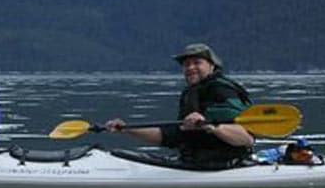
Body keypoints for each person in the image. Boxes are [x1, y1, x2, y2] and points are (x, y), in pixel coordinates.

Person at [104, 43, 254, 168]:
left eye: (197, 62)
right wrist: (127, 129)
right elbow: (170, 137)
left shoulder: (222, 90)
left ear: (212, 66)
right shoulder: (191, 92)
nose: (190, 68)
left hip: (225, 166)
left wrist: (210, 126)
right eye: (187, 64)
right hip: (193, 163)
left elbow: (246, 138)